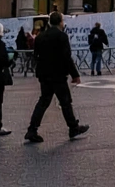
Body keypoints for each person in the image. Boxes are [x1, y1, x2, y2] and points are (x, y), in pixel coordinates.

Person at [25, 11, 89, 143]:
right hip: (58, 74)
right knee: (65, 102)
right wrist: (75, 75)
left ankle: (32, 129)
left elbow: (36, 55)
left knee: (43, 102)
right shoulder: (62, 36)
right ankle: (73, 128)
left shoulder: (40, 36)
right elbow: (67, 57)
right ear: (60, 22)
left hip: (44, 74)